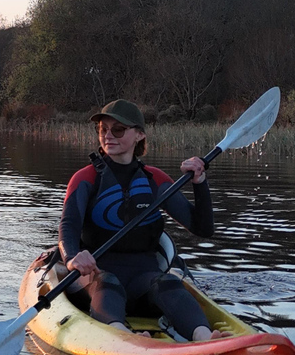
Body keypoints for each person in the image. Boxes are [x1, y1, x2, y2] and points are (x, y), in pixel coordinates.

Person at [58, 99, 230, 341]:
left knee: (167, 282)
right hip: (95, 277)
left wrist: (200, 184)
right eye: (103, 129)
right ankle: (124, 336)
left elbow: (203, 228)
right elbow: (68, 226)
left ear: (139, 135)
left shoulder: (155, 180)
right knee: (107, 281)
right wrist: (73, 258)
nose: (108, 135)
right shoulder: (84, 179)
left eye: (117, 129)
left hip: (145, 278)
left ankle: (205, 337)